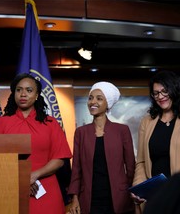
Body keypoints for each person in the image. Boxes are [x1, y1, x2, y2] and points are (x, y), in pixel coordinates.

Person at [0, 73, 72, 214]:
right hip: (10, 187)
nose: (23, 94)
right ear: (13, 93)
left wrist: (34, 176)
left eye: (29, 90)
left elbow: (59, 159)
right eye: (19, 89)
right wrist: (21, 178)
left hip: (45, 190)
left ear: (37, 95)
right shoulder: (0, 123)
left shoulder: (51, 123)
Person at [67, 81, 135, 214]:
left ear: (108, 103)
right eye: (90, 98)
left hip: (119, 199)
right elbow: (76, 169)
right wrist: (75, 198)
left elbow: (131, 166)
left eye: (99, 98)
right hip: (89, 199)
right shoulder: (81, 132)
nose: (93, 102)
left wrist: (133, 191)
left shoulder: (122, 130)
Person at [131, 70, 180, 212]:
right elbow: (141, 161)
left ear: (175, 90)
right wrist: (138, 188)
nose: (160, 97)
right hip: (155, 197)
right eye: (156, 93)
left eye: (165, 91)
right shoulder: (147, 122)